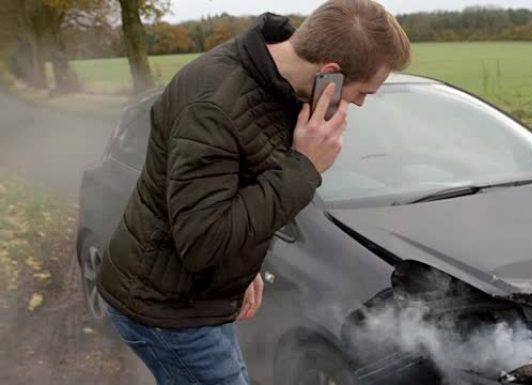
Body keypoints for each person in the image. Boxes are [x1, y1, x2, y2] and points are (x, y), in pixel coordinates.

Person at [96, 0, 411, 383]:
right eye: (363, 92)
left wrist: (245, 265)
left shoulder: (275, 86)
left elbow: (233, 188)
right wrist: (304, 166)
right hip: (168, 310)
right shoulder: (214, 107)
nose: (359, 104)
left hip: (202, 296)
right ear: (331, 73)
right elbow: (203, 242)